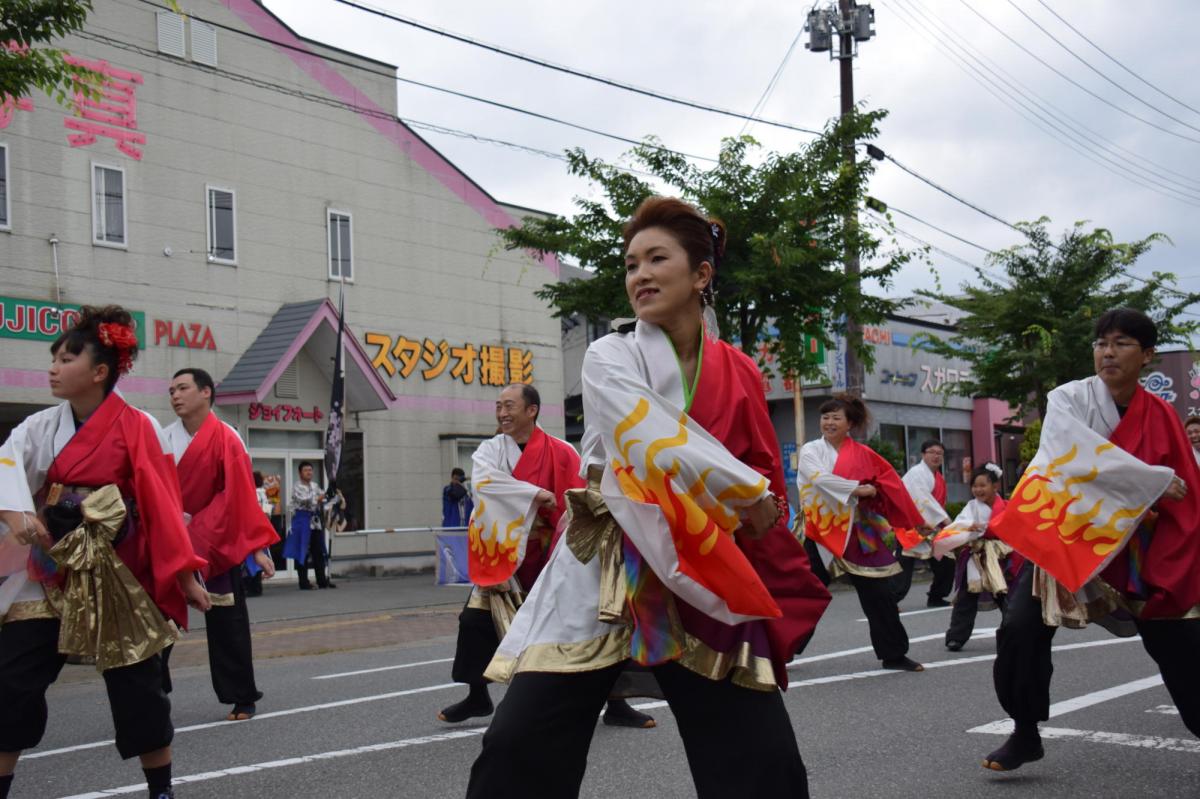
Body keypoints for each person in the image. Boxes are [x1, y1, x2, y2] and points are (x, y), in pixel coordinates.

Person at [467, 197, 831, 799]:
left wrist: (765, 514)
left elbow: (763, 465)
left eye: (657, 259)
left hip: (702, 562)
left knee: (760, 761)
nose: (639, 275)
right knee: (519, 744)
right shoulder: (611, 355)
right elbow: (652, 439)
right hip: (606, 561)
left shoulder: (739, 370)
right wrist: (748, 494)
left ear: (701, 275)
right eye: (631, 264)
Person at [0, 305, 211, 799]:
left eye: (66, 357)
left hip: (118, 573)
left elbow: (161, 505)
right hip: (51, 568)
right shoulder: (39, 427)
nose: (53, 366)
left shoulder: (139, 426)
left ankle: (161, 789)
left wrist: (182, 576)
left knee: (139, 688)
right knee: (10, 683)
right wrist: (14, 513)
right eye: (53, 357)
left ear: (99, 372)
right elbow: (7, 463)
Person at [985, 308, 1200, 771]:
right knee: (1020, 629)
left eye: (1122, 343)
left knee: (1178, 639)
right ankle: (1024, 733)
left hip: (1132, 543)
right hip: (1064, 532)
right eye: (1102, 343)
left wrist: (1156, 488)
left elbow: (1185, 486)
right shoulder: (1070, 397)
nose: (1108, 352)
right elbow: (1070, 456)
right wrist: (1152, 480)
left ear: (1147, 356)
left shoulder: (1160, 414)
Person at [439, 383, 653, 729]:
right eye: (498, 407)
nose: (502, 414)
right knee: (473, 621)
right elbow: (485, 485)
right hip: (506, 553)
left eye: (509, 406)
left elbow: (580, 495)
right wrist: (536, 494)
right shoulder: (490, 451)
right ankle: (477, 694)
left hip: (555, 552)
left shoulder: (563, 451)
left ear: (531, 410)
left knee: (596, 623)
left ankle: (617, 702)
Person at [164, 368, 279, 720]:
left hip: (216, 542)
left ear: (206, 393)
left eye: (183, 388)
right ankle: (150, 695)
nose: (175, 396)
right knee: (157, 623)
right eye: (171, 390)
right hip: (169, 541)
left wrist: (256, 548)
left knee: (228, 623)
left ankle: (242, 696)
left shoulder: (228, 438)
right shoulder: (161, 437)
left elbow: (241, 497)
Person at [798, 394, 932, 672]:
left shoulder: (863, 454)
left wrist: (913, 519)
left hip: (858, 532)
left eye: (836, 417)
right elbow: (818, 478)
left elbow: (890, 484)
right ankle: (780, 651)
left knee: (879, 594)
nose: (829, 422)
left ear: (850, 424)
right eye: (825, 417)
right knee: (806, 594)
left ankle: (894, 654)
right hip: (820, 531)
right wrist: (857, 489)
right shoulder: (811, 450)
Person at [936, 463, 1013, 651]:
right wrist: (970, 525)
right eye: (975, 486)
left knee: (1007, 597)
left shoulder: (1007, 506)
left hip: (1001, 557)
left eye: (983, 485)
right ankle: (956, 637)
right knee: (966, 598)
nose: (978, 490)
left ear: (995, 486)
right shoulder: (972, 507)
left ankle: (1015, 633)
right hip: (977, 557)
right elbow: (959, 524)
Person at [896, 439, 956, 606]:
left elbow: (934, 502)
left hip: (931, 526)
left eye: (940, 453)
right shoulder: (916, 473)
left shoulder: (938, 478)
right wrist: (945, 520)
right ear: (923, 454)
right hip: (911, 526)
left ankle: (936, 596)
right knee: (903, 568)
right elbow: (923, 500)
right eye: (932, 452)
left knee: (946, 562)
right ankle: (889, 602)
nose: (936, 456)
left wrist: (942, 521)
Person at [283, 461, 335, 590]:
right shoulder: (297, 486)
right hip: (301, 520)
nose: (309, 472)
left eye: (311, 470)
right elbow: (305, 500)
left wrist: (332, 495)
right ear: (300, 473)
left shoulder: (315, 485)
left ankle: (322, 581)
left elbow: (324, 499)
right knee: (302, 551)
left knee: (318, 551)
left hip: (315, 521)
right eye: (306, 470)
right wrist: (321, 497)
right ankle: (303, 582)